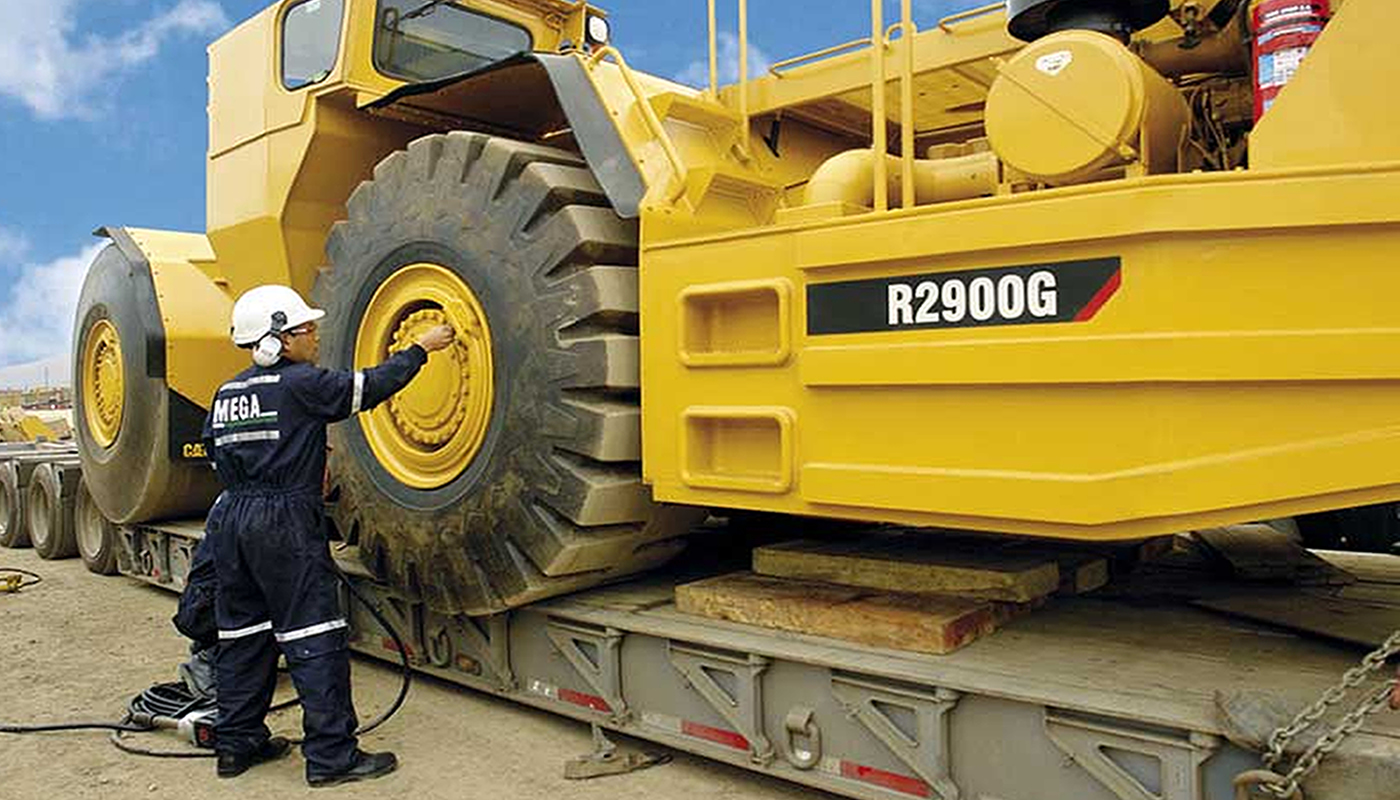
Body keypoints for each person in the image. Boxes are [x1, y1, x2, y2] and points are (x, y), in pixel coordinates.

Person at [203, 285, 453, 786]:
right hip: (283, 523)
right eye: (306, 330)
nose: (314, 337)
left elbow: (215, 453)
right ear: (277, 338)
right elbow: (366, 387)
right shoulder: (300, 384)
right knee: (312, 634)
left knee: (242, 636)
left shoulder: (227, 393)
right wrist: (420, 349)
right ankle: (332, 758)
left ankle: (236, 745)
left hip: (231, 519)